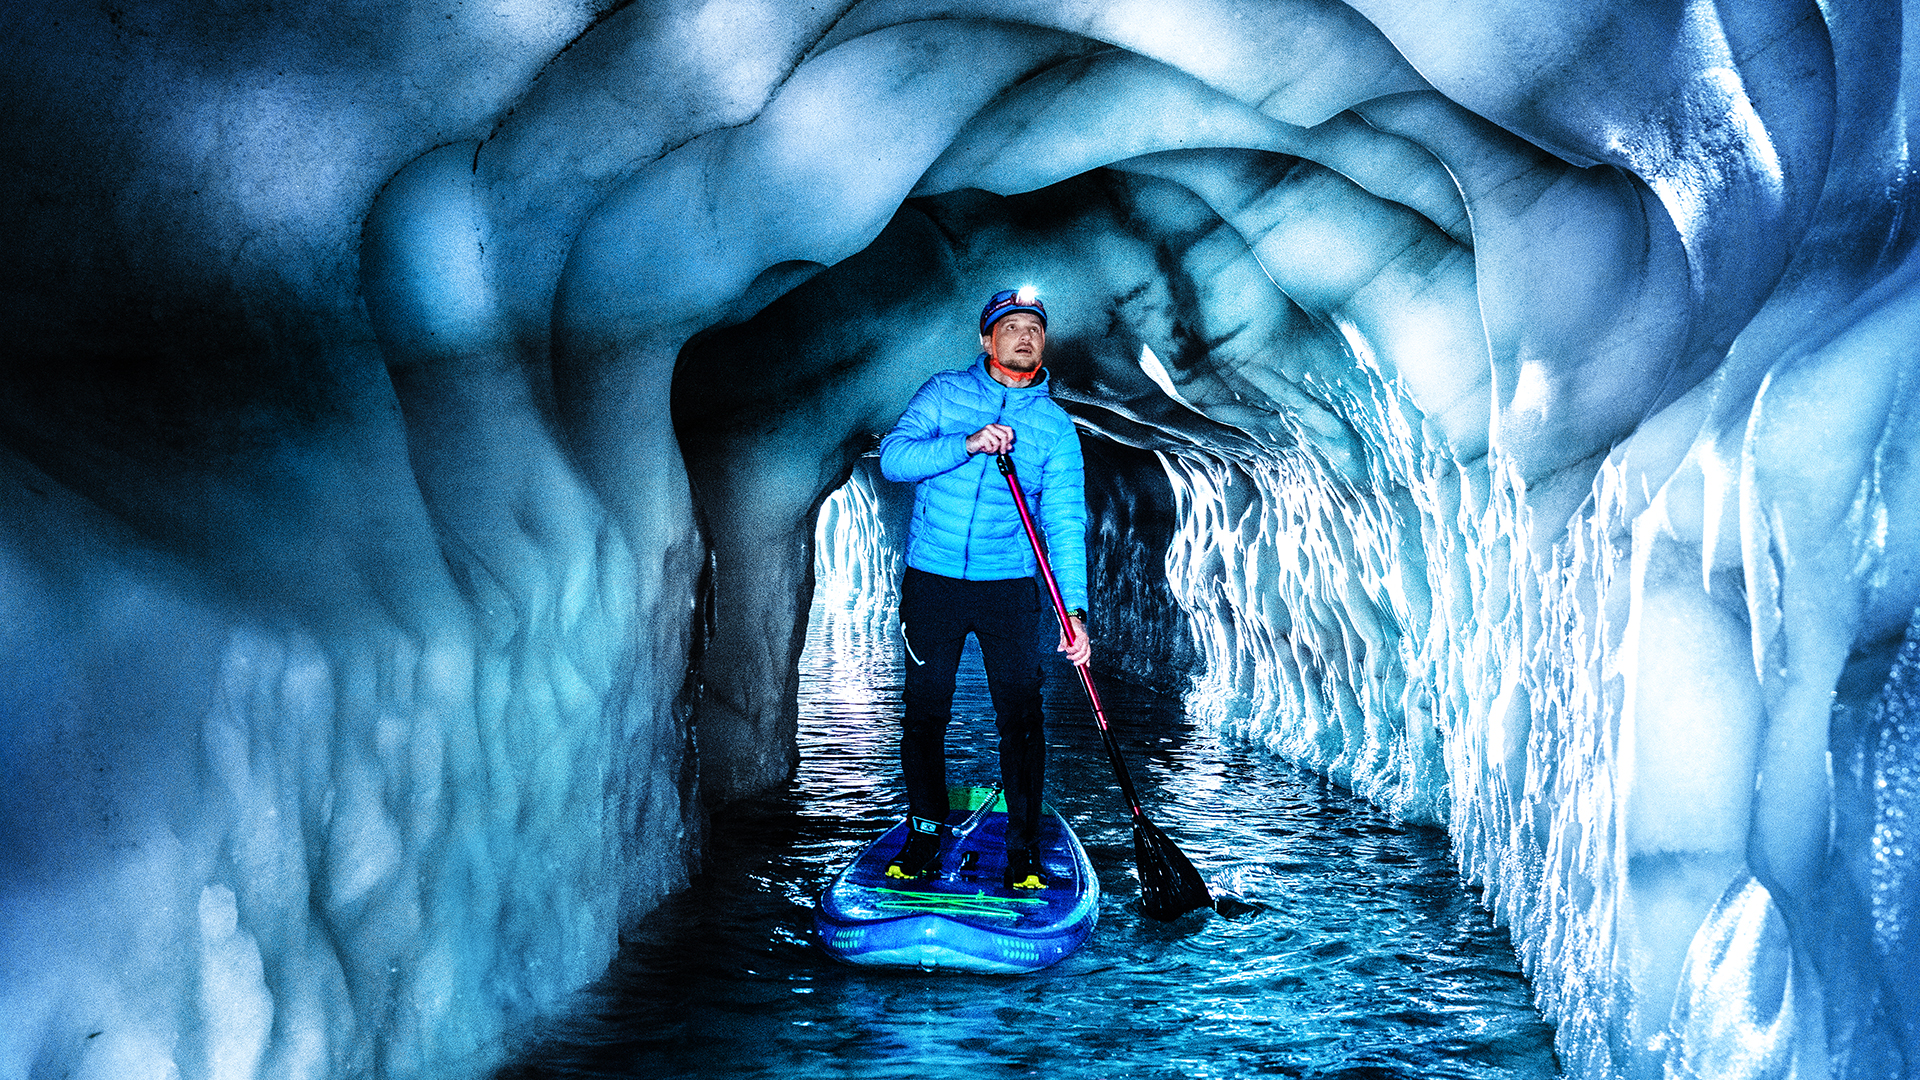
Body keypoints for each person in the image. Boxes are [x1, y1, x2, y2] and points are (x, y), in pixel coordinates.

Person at [876, 286, 1091, 890]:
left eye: (1036, 328)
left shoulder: (1053, 428)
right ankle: (923, 834)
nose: (1026, 336)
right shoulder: (945, 394)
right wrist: (968, 444)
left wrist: (1073, 608)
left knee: (1022, 718)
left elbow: (1066, 523)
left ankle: (1023, 852)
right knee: (926, 710)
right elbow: (894, 458)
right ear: (986, 339)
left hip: (1011, 590)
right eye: (1012, 325)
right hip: (934, 581)